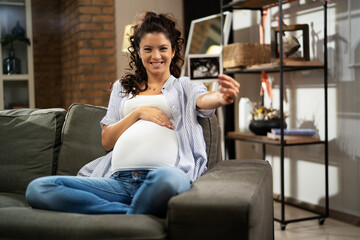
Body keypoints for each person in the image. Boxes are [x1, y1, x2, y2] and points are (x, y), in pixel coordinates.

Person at [25, 11, 240, 218]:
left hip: (163, 176)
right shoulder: (122, 88)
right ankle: (131, 213)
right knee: (39, 188)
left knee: (169, 180)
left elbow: (202, 100)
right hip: (118, 182)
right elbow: (107, 141)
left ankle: (131, 210)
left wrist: (221, 97)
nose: (156, 56)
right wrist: (137, 113)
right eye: (148, 49)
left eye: (163, 48)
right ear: (138, 52)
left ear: (173, 51)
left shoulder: (184, 85)